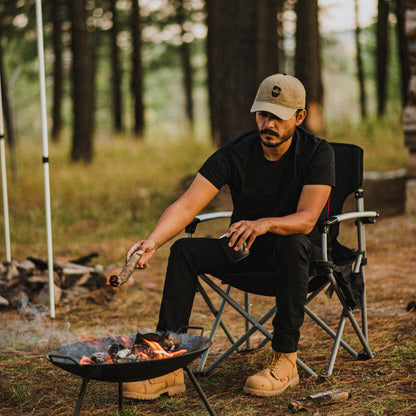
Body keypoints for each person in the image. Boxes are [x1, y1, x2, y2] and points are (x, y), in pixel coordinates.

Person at [122, 73, 335, 400]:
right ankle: (169, 366)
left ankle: (286, 359)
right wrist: (153, 241)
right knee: (184, 250)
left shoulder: (317, 153)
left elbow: (307, 220)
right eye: (263, 114)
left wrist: (264, 223)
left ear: (300, 117)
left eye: (279, 116)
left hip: (297, 262)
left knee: (294, 242)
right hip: (245, 254)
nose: (269, 124)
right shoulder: (236, 153)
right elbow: (187, 205)